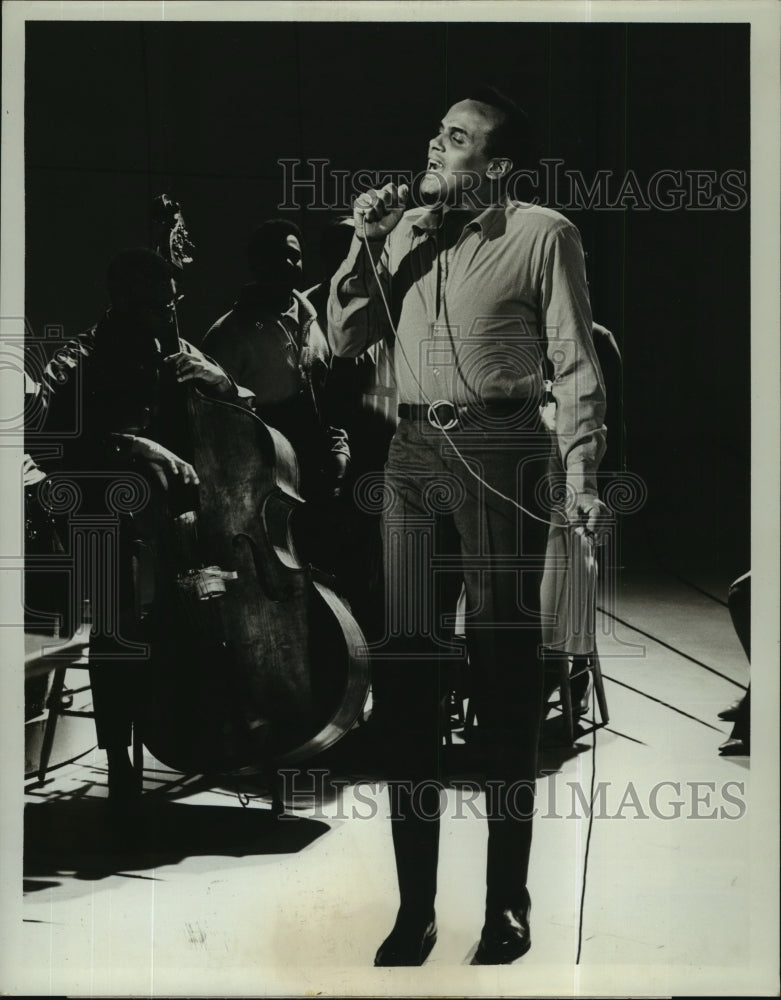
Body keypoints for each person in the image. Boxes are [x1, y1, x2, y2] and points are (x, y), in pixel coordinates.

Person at [328, 85, 610, 965]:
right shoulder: (401, 234)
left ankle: (506, 907)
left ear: (496, 166)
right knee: (406, 675)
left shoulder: (542, 234)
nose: (434, 145)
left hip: (498, 449)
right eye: (438, 133)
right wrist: (362, 243)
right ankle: (414, 909)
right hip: (411, 453)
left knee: (503, 678)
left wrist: (581, 475)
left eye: (455, 138)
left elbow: (575, 362)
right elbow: (341, 340)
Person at [40, 247, 254, 804]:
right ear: (122, 303)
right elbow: (45, 440)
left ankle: (219, 732)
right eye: (158, 308)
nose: (169, 319)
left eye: (173, 305)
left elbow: (246, 419)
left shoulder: (176, 350)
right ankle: (118, 760)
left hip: (180, 524)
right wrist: (132, 444)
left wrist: (223, 383)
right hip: (103, 518)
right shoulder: (78, 357)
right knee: (117, 625)